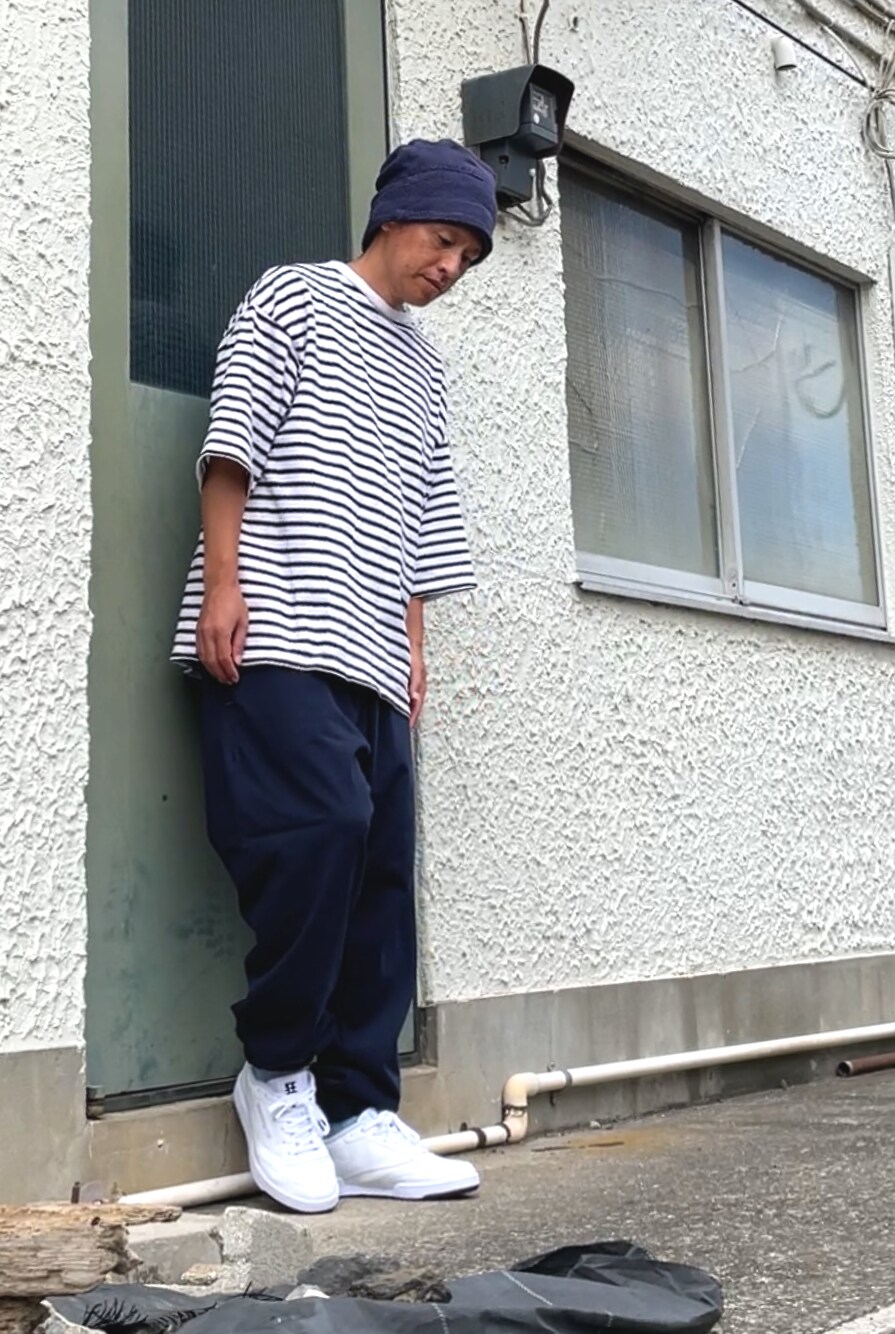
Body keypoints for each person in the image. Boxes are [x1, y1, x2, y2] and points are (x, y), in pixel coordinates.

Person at [170, 139, 497, 1214]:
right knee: (318, 832)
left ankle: (359, 1113)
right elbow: (231, 445)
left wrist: (413, 646)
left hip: (371, 650)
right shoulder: (294, 298)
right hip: (272, 626)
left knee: (381, 870)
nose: (449, 266)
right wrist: (223, 584)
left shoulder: (426, 367)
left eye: (468, 257)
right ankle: (276, 1074)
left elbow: (424, 521)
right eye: (442, 240)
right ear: (392, 218)